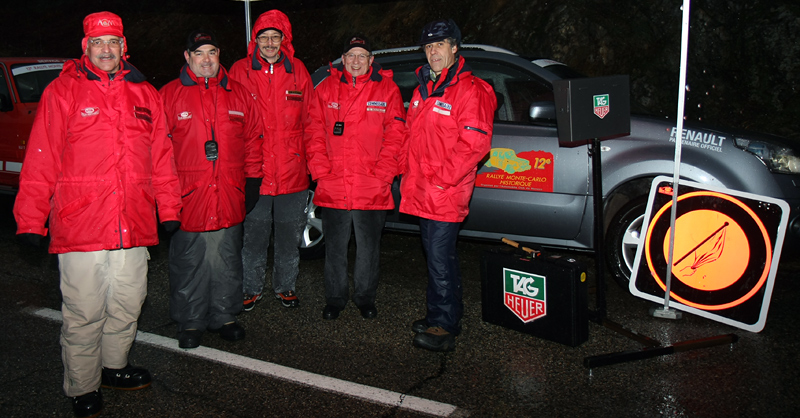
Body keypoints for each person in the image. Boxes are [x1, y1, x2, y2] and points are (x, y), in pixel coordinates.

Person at [12, 11, 181, 417]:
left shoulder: (145, 94)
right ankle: (82, 385)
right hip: (81, 223)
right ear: (85, 48)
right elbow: (41, 159)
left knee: (127, 303)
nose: (106, 50)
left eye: (113, 43)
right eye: (98, 43)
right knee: (85, 311)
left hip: (134, 223)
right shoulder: (62, 92)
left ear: (125, 47)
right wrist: (31, 220)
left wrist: (170, 207)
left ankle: (113, 367)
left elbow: (162, 157)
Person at [159, 30, 263, 349]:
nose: (207, 59)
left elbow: (254, 141)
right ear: (188, 57)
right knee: (190, 261)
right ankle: (191, 321)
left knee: (226, 259)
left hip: (229, 193)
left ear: (220, 56)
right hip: (188, 196)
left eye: (212, 52)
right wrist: (163, 198)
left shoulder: (239, 94)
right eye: (200, 53)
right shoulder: (168, 95)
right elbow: (157, 151)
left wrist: (253, 181)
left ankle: (224, 315)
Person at [400, 19, 497, 352]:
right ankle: (439, 314)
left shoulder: (472, 90)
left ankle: (445, 325)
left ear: (455, 48)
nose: (433, 52)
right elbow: (411, 139)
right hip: (422, 191)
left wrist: (441, 181)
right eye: (428, 47)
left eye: (439, 45)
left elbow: (474, 145)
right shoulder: (423, 90)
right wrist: (403, 173)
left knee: (440, 257)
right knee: (435, 256)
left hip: (445, 191)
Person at [229, 9, 324, 311]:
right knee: (254, 238)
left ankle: (285, 286)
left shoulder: (298, 72)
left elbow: (312, 121)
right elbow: (231, 121)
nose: (270, 43)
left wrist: (314, 167)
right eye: (264, 37)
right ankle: (250, 288)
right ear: (254, 40)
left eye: (275, 37)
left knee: (288, 238)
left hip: (292, 173)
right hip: (255, 173)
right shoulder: (239, 71)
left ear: (284, 40)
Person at [307, 35, 406, 320]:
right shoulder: (325, 88)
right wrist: (320, 172)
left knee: (368, 248)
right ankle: (335, 298)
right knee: (335, 247)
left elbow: (396, 135)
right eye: (351, 55)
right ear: (343, 59)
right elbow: (313, 132)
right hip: (334, 182)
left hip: (371, 184)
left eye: (362, 55)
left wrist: (385, 174)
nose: (356, 61)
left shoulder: (386, 89)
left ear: (371, 60)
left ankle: (365, 297)